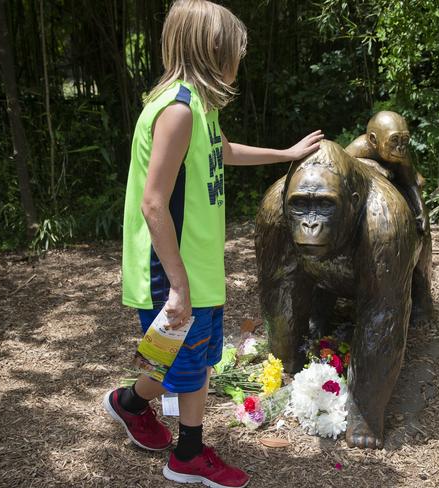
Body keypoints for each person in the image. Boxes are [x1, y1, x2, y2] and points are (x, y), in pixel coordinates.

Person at [102, 1, 323, 487]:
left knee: (182, 355)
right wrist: (178, 286)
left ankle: (130, 403)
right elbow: (153, 204)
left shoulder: (197, 107)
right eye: (236, 52)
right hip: (173, 268)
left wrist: (286, 154)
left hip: (194, 263)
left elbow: (221, 151)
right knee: (192, 364)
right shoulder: (178, 111)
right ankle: (188, 455)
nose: (239, 62)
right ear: (215, 51)